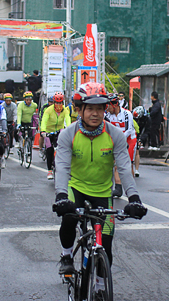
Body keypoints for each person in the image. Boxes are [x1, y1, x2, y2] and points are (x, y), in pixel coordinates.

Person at [52, 82, 147, 281]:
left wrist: (134, 198)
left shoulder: (115, 135)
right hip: (76, 187)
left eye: (100, 109)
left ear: (106, 109)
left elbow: (124, 168)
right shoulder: (68, 134)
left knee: (107, 244)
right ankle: (66, 255)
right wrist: (61, 195)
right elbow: (61, 167)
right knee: (68, 218)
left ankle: (100, 286)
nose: (95, 114)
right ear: (79, 110)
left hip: (103, 193)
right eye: (90, 109)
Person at [105, 93, 137, 197]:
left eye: (108, 106)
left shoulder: (127, 114)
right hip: (117, 140)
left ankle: (131, 188)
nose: (107, 108)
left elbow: (128, 130)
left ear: (114, 105)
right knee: (116, 165)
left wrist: (119, 140)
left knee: (128, 164)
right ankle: (118, 188)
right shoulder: (108, 115)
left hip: (128, 139)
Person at [40, 92, 71, 180]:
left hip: (59, 130)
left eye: (60, 102)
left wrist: (68, 130)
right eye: (57, 103)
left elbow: (68, 120)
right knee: (49, 150)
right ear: (54, 103)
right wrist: (43, 131)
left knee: (61, 147)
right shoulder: (48, 110)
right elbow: (44, 120)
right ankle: (49, 170)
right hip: (48, 131)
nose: (58, 105)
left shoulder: (65, 110)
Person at [132, 106, 149, 177]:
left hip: (139, 133)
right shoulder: (131, 115)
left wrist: (141, 139)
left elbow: (147, 130)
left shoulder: (147, 119)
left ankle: (136, 169)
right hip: (132, 132)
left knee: (137, 151)